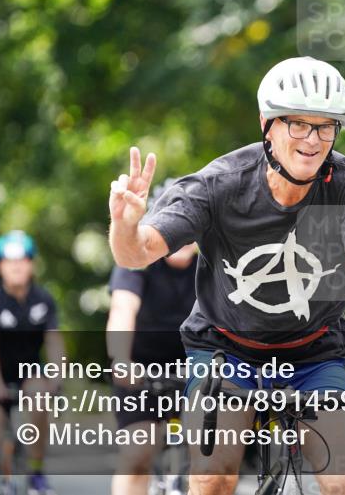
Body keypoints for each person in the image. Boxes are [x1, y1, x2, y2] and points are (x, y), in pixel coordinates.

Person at [108, 57, 345, 495]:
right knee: (213, 477)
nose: (312, 139)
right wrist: (124, 224)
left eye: (325, 126)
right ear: (267, 124)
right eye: (298, 124)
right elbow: (139, 253)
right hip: (224, 353)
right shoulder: (221, 183)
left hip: (314, 356)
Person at [107, 179, 199, 495]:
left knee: (213, 457)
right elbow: (122, 308)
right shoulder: (137, 259)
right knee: (137, 454)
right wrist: (120, 359)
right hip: (141, 370)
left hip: (199, 369)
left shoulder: (214, 262)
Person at [0, 230, 64, 495]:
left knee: (39, 395)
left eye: (22, 259)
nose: (16, 265)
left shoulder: (43, 299)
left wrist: (56, 378)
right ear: (0, 266)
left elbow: (54, 342)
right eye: (9, 261)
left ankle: (36, 470)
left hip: (29, 371)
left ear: (31, 264)